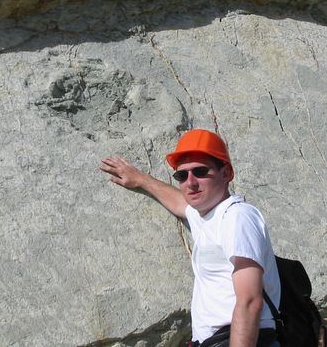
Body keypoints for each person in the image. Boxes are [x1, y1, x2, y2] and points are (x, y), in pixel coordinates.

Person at [100, 129, 280, 347]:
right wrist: (141, 179)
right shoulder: (204, 215)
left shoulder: (236, 217)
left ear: (226, 174)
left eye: (201, 172)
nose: (190, 182)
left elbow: (250, 300)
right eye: (181, 175)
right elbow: (179, 203)